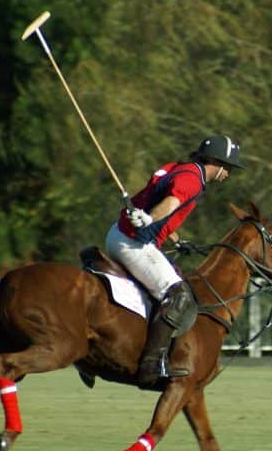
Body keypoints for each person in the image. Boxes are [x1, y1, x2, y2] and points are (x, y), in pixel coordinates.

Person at [104, 134, 244, 387]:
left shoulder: (180, 168)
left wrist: (175, 239)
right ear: (216, 162)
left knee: (173, 278)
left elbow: (159, 204)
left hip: (121, 234)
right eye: (228, 167)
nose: (228, 174)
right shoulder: (192, 180)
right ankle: (151, 364)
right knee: (178, 295)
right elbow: (170, 204)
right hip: (133, 243)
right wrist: (150, 219)